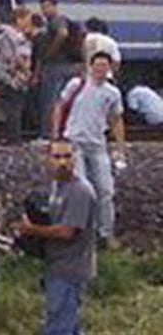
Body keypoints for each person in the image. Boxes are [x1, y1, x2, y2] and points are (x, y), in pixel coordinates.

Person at [17, 140, 97, 335]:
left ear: (75, 158)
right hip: (56, 264)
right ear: (47, 160)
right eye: (57, 157)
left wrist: (32, 230)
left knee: (60, 325)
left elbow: (67, 232)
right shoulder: (57, 187)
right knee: (67, 323)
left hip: (70, 267)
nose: (62, 162)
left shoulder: (80, 190)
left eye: (67, 156)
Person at [52, 51, 125, 249]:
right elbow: (60, 106)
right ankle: (83, 232)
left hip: (98, 144)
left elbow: (116, 120)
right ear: (91, 66)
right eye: (97, 65)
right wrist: (56, 135)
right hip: (74, 143)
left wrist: (120, 148)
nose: (100, 69)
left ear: (109, 68)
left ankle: (106, 232)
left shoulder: (112, 93)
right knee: (82, 188)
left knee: (106, 189)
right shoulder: (77, 85)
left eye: (104, 65)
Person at [0, 8, 34, 144]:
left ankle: (9, 135)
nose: (29, 22)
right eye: (27, 19)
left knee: (9, 107)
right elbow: (19, 57)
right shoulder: (16, 36)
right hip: (16, 77)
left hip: (4, 75)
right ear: (19, 19)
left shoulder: (5, 35)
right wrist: (27, 72)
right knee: (15, 107)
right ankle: (14, 138)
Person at [37, 0, 77, 139]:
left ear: (55, 7)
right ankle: (61, 131)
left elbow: (62, 34)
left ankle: (47, 133)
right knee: (64, 100)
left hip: (56, 66)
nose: (44, 10)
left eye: (47, 7)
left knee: (50, 100)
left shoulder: (56, 21)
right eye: (42, 7)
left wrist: (50, 52)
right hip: (67, 66)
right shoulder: (59, 20)